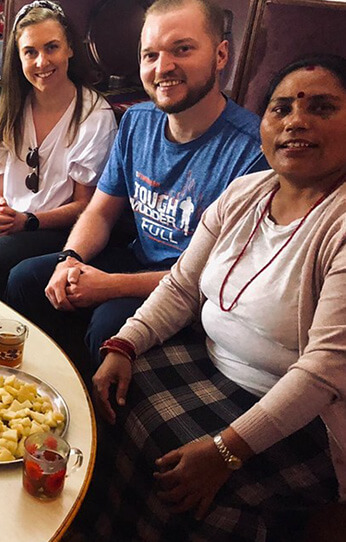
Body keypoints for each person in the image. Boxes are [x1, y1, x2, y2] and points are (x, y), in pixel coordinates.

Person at [79, 53, 346, 541]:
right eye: (281, 109)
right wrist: (124, 344)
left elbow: (325, 369)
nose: (296, 121)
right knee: (107, 396)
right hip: (217, 359)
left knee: (188, 477)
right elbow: (181, 285)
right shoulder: (245, 193)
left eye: (322, 108)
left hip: (315, 416)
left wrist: (227, 450)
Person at [5, 0, 268, 369]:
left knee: (107, 325)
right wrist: (70, 259)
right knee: (26, 279)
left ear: (221, 54)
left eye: (183, 49)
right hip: (134, 256)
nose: (163, 68)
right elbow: (100, 210)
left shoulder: (252, 151)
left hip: (186, 288)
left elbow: (212, 277)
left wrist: (109, 285)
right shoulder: (137, 122)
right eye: (150, 55)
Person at [0, 0, 116, 299]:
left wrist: (28, 221)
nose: (41, 62)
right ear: (19, 57)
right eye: (30, 52)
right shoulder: (11, 106)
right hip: (14, 218)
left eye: (51, 47)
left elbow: (85, 207)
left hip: (55, 225)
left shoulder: (94, 115)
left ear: (70, 49)